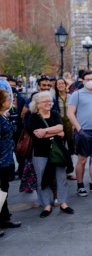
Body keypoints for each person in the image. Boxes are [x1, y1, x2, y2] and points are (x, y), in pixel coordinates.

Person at [28, 91, 74, 217]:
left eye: (50, 101)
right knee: (43, 179)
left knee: (61, 178)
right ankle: (46, 206)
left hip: (57, 151)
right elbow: (37, 135)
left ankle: (63, 203)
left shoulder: (54, 114)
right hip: (41, 152)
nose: (49, 103)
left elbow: (61, 128)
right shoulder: (33, 117)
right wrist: (55, 132)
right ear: (37, 104)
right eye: (45, 101)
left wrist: (46, 131)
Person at [67, 70, 92, 197]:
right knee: (82, 159)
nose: (90, 81)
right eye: (87, 79)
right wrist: (79, 129)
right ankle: (80, 185)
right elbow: (70, 113)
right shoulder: (77, 94)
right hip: (83, 132)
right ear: (83, 80)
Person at [0, 89, 22, 235]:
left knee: (3, 191)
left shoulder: (3, 116)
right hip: (1, 160)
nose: (11, 100)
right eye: (8, 98)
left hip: (6, 160)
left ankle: (4, 218)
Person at [54, 78, 75, 180]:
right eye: (59, 84)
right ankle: (61, 169)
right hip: (59, 123)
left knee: (70, 146)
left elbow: (75, 110)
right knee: (60, 146)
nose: (61, 85)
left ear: (66, 85)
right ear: (56, 86)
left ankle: (69, 170)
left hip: (69, 124)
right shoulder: (54, 97)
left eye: (62, 83)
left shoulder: (71, 96)